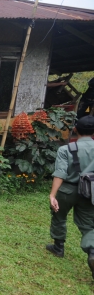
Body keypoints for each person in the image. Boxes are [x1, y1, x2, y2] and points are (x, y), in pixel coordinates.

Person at [47, 115, 94, 279]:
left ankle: (58, 247)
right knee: (89, 224)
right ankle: (92, 251)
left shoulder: (65, 150)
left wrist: (53, 195)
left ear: (75, 130)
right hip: (90, 192)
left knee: (59, 215)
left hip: (68, 189)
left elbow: (60, 173)